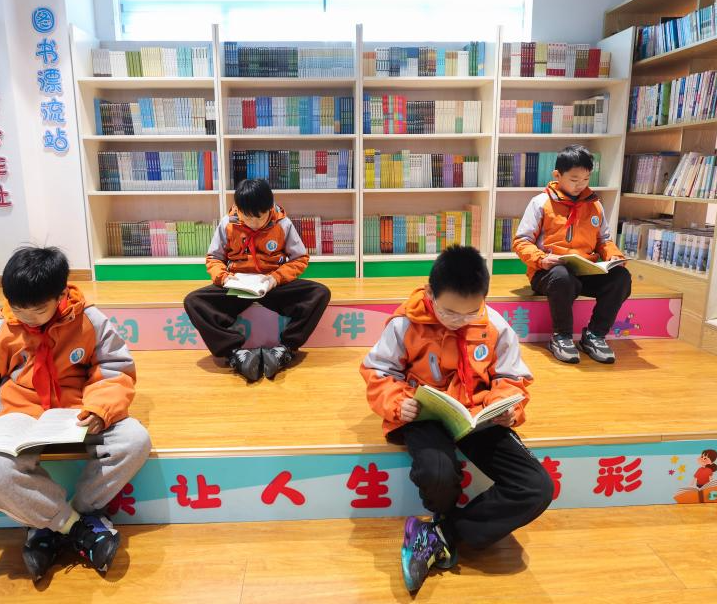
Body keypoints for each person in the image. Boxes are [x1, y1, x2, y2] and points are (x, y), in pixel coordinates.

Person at [0, 246, 151, 581]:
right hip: (17, 420)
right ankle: (78, 529)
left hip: (78, 414)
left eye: (38, 309)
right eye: (18, 309)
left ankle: (59, 522)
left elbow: (114, 371)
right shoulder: (0, 330)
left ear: (61, 294)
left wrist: (100, 409)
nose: (28, 318)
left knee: (135, 440)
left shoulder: (90, 321)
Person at [360, 245, 553, 592]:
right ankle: (444, 529)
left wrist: (508, 407)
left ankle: (441, 533)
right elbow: (379, 371)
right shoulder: (406, 323)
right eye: (449, 311)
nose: (459, 320)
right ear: (430, 292)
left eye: (470, 312)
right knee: (437, 474)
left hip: (477, 415)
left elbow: (512, 378)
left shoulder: (494, 325)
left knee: (537, 487)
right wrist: (398, 403)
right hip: (425, 414)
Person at [185, 178, 331, 382]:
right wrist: (224, 278)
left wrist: (275, 278)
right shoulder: (227, 224)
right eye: (247, 217)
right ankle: (236, 354)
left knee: (320, 293)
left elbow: (299, 258)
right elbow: (214, 258)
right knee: (193, 301)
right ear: (238, 209)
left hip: (272, 286)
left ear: (269, 208)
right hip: (237, 288)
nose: (253, 223)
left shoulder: (283, 223)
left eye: (259, 218)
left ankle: (284, 349)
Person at [513, 144, 631, 364]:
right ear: (557, 175)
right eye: (574, 179)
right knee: (562, 276)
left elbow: (604, 240)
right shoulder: (541, 203)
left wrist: (613, 255)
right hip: (548, 273)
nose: (580, 185)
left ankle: (594, 335)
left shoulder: (595, 205)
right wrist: (542, 259)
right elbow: (522, 241)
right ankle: (561, 336)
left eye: (586, 179)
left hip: (585, 271)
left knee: (621, 278)